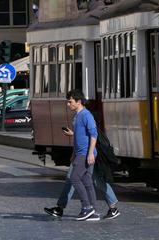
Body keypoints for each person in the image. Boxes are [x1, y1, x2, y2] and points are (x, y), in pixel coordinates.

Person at [62, 89, 99, 221]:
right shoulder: (77, 116)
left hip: (85, 154)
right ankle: (94, 211)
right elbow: (80, 137)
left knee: (74, 178)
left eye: (70, 101)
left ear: (78, 102)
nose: (68, 104)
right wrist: (73, 152)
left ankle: (87, 207)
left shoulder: (86, 115)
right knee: (87, 181)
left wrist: (90, 154)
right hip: (80, 153)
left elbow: (94, 135)